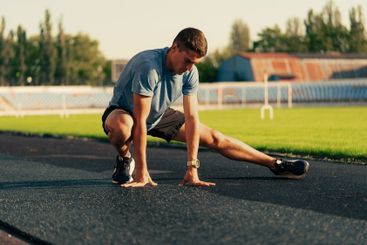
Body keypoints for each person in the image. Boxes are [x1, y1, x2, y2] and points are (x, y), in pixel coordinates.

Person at [102, 27, 310, 188]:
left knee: (215, 138)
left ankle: (275, 164)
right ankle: (125, 158)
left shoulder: (190, 72)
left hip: (158, 114)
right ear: (174, 48)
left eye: (195, 63)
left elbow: (192, 119)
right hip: (126, 112)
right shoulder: (149, 67)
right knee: (123, 127)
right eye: (187, 61)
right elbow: (140, 119)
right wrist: (141, 170)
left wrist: (192, 167)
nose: (189, 68)